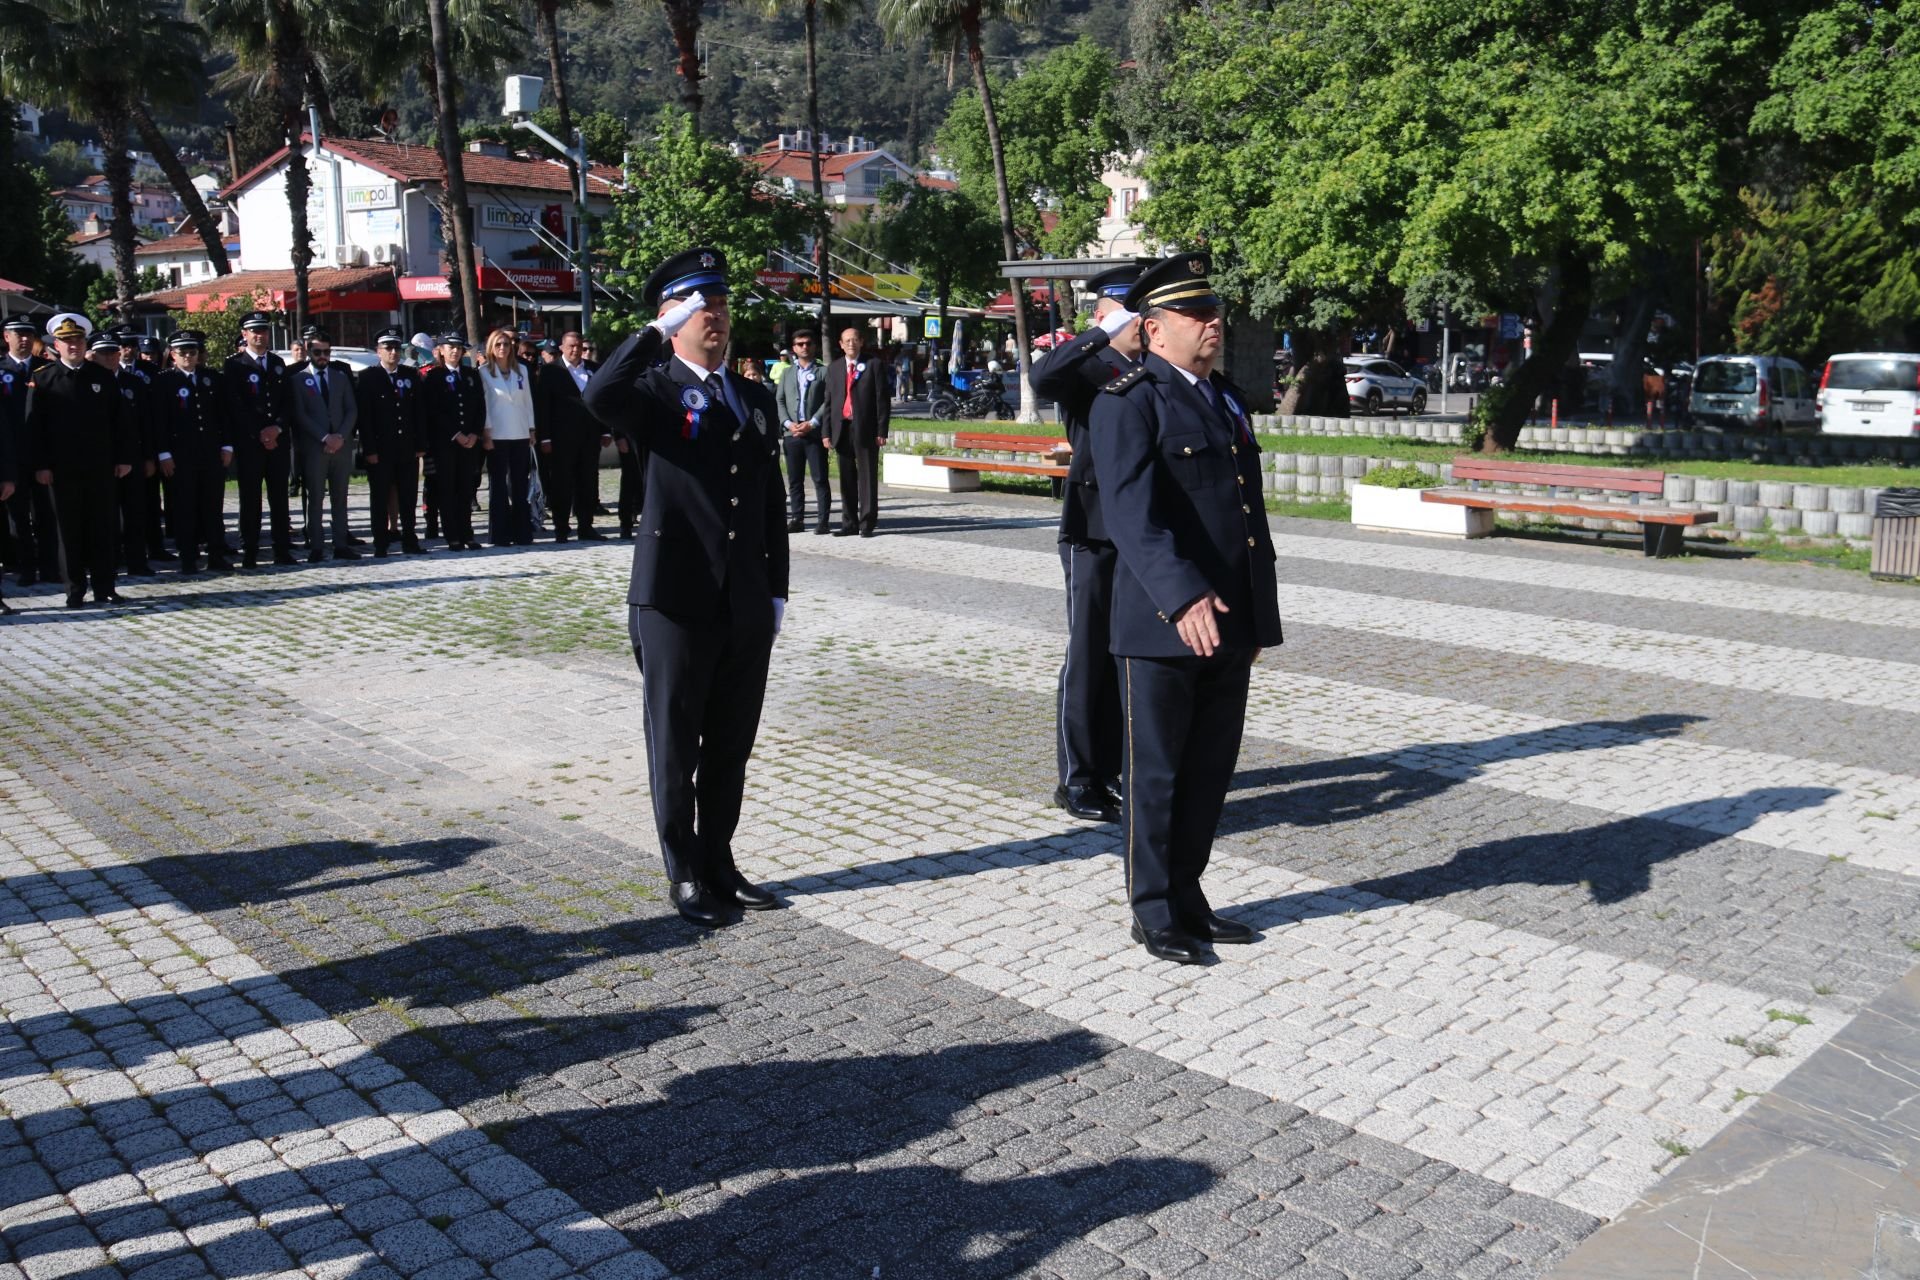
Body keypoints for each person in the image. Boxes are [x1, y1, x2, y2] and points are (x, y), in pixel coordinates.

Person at [582, 246, 787, 929]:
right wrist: (652, 334)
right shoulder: (653, 390)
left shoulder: (755, 396)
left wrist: (776, 590)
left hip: (745, 599)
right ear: (675, 317)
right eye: (702, 309)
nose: (717, 320)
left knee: (731, 742)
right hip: (673, 597)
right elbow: (596, 397)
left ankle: (721, 859)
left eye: (722, 307)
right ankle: (685, 872)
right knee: (676, 744)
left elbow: (770, 503)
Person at [1090, 252, 1283, 965]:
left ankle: (1189, 895)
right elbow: (1133, 516)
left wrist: (1256, 617)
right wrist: (1181, 597)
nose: (1213, 324)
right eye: (1196, 315)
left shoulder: (1222, 398)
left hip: (1228, 617)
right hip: (1162, 622)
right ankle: (1153, 912)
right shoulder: (1130, 400)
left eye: (1213, 312)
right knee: (1159, 771)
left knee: (1209, 769)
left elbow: (1245, 517)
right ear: (1154, 329)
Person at [1031, 261, 1147, 824]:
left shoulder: (1153, 368)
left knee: (1126, 654)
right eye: (1125, 311)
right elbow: (1041, 376)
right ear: (1104, 314)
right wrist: (1099, 334)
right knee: (1087, 653)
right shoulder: (1087, 365)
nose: (1136, 322)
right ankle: (1077, 778)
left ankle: (1115, 769)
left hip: (1139, 531)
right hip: (1092, 528)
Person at [26, 314, 137, 608]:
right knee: (68, 530)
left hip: (100, 466)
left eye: (77, 340)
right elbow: (34, 428)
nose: (73, 346)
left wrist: (124, 458)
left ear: (85, 342)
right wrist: (41, 465)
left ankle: (105, 587)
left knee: (103, 528)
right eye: (66, 341)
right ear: (56, 345)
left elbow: (120, 422)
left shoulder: (102, 376)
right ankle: (75, 589)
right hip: (61, 470)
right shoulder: (43, 378)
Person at [155, 330, 234, 575]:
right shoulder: (164, 381)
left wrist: (227, 445)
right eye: (183, 352)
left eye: (193, 352)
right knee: (184, 507)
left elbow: (224, 415)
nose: (188, 356)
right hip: (181, 455)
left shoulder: (211, 378)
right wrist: (163, 454)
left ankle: (216, 554)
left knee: (212, 506)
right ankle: (188, 558)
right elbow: (159, 421)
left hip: (210, 452)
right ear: (173, 355)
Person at [223, 311, 295, 567]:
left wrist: (276, 428)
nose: (259, 335)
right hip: (250, 442)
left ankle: (282, 549)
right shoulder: (234, 365)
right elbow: (236, 405)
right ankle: (250, 549)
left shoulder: (277, 363)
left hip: (276, 441)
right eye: (254, 331)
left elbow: (287, 401)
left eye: (263, 330)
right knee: (250, 497)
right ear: (245, 334)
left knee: (279, 496)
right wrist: (260, 432)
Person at [288, 325, 360, 563]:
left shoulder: (340, 377)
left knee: (340, 497)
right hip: (315, 447)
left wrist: (339, 436)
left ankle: (341, 544)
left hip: (340, 447)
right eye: (318, 352)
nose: (323, 357)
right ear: (309, 352)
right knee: (315, 497)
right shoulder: (299, 379)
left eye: (326, 352)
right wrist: (324, 437)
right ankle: (316, 546)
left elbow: (351, 410)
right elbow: (300, 415)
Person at [355, 327, 427, 558]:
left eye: (396, 347)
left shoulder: (410, 375)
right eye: (388, 348)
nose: (393, 352)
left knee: (408, 497)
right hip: (381, 449)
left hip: (406, 447)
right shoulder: (368, 378)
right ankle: (380, 542)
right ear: (378, 351)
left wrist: (419, 445)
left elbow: (418, 413)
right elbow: (364, 417)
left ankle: (409, 539)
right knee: (379, 497)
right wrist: (369, 449)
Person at [91, 330, 156, 578]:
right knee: (106, 516)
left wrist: (149, 456)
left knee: (136, 513)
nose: (109, 358)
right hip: (102, 459)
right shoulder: (87, 382)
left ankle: (137, 561)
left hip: (134, 457)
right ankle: (110, 561)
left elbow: (146, 422)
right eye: (103, 353)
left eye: (112, 352)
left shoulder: (133, 383)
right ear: (93, 356)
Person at [534, 330, 607, 542]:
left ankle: (586, 525)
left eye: (579, 346)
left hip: (589, 437)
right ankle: (562, 527)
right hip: (560, 438)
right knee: (562, 484)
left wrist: (604, 430)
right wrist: (545, 437)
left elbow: (600, 402)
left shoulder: (594, 369)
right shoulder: (550, 371)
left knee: (588, 482)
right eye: (571, 346)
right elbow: (543, 406)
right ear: (562, 348)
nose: (575, 350)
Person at [3, 314, 59, 589]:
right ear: (7, 338)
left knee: (47, 514)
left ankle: (49, 567)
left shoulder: (46, 368)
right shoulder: (1, 370)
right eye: (18, 334)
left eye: (28, 334)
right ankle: (26, 568)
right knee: (19, 518)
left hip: (42, 455)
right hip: (11, 455)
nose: (24, 339)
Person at [419, 333, 485, 550]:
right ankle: (452, 535)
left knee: (466, 489)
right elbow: (434, 411)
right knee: (447, 489)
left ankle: (467, 533)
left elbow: (479, 406)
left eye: (458, 348)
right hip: (446, 442)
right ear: (441, 351)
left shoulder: (471, 375)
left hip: (469, 442)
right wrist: (456, 433)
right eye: (450, 347)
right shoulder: (435, 376)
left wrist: (475, 433)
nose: (455, 351)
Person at [824, 326, 889, 537]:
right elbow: (828, 403)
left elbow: (882, 400)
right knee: (846, 479)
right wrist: (826, 432)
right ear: (841, 345)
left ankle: (867, 523)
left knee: (867, 476)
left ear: (861, 342)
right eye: (846, 340)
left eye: (854, 339)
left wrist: (882, 430)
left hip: (866, 429)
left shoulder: (873, 365)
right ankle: (849, 522)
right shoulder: (834, 368)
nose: (851, 343)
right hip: (842, 429)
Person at [477, 327, 536, 547]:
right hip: (497, 434)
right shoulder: (484, 372)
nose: (503, 348)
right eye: (498, 344)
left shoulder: (521, 370)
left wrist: (531, 428)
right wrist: (487, 432)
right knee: (499, 486)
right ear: (491, 348)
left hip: (519, 433)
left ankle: (522, 532)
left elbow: (528, 401)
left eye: (506, 344)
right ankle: (500, 534)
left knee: (520, 485)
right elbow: (484, 406)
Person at [774, 330, 829, 534]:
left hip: (813, 433)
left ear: (814, 346)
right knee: (795, 480)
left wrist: (813, 422)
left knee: (820, 478)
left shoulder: (824, 371)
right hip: (792, 434)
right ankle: (797, 518)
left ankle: (823, 520)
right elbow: (779, 400)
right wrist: (788, 423)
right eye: (800, 344)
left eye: (808, 343)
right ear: (794, 348)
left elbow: (828, 400)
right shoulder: (787, 373)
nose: (804, 347)